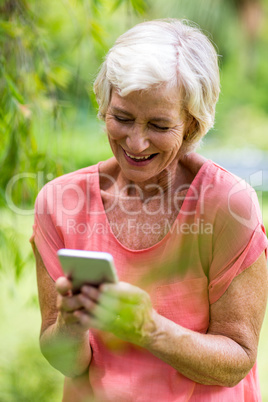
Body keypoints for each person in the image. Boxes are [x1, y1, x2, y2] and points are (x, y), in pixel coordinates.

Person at [30, 19, 268, 401]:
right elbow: (66, 362)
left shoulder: (228, 206)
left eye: (158, 124)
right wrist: (72, 325)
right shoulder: (58, 204)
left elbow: (238, 358)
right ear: (105, 105)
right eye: (122, 118)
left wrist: (150, 330)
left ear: (191, 124)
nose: (136, 142)